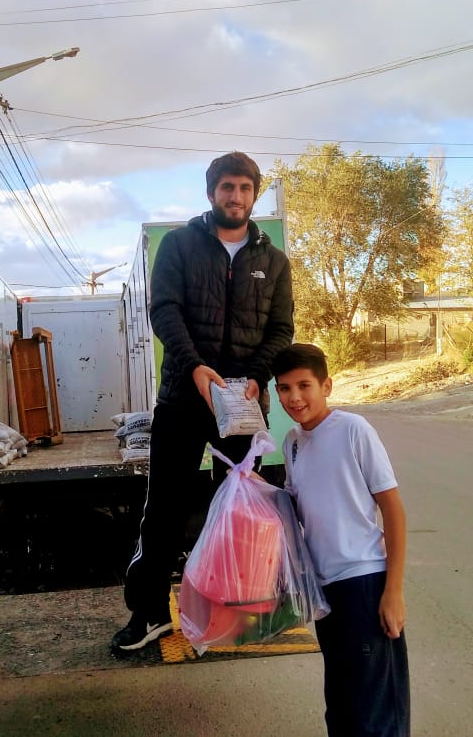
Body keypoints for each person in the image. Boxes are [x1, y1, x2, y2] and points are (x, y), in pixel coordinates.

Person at [111, 151, 294, 655]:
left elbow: (281, 329)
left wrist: (257, 377)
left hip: (242, 405)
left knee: (240, 512)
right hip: (182, 399)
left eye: (244, 188)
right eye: (226, 187)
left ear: (254, 194)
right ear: (211, 192)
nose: (235, 197)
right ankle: (149, 614)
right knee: (163, 511)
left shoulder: (272, 261)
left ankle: (235, 608)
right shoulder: (179, 245)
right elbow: (163, 310)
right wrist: (194, 368)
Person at [272, 342, 410, 736]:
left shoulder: (353, 429)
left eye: (304, 385)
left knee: (375, 715)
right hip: (326, 593)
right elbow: (300, 511)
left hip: (364, 584)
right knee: (343, 709)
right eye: (284, 388)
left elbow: (394, 511)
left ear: (326, 385)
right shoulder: (293, 444)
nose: (294, 398)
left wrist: (393, 591)